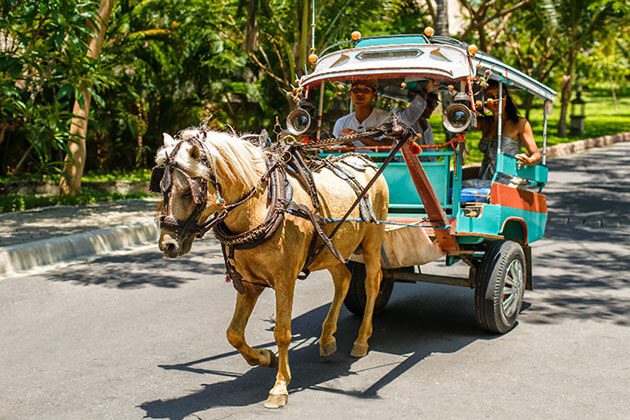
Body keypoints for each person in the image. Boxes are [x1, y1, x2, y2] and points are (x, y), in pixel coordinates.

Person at [475, 81, 541, 181]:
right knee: (456, 187)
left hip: (508, 180)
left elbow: (536, 154)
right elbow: (460, 120)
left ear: (506, 98)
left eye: (500, 95)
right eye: (490, 97)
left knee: (461, 191)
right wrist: (474, 104)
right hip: (485, 178)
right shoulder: (485, 123)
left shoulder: (520, 123)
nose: (497, 100)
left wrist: (528, 160)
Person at [332, 79, 390, 147]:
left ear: (374, 94)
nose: (359, 93)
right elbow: (337, 151)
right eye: (356, 90)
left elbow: (387, 147)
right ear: (350, 93)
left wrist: (358, 136)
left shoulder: (385, 118)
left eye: (366, 90)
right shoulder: (341, 123)